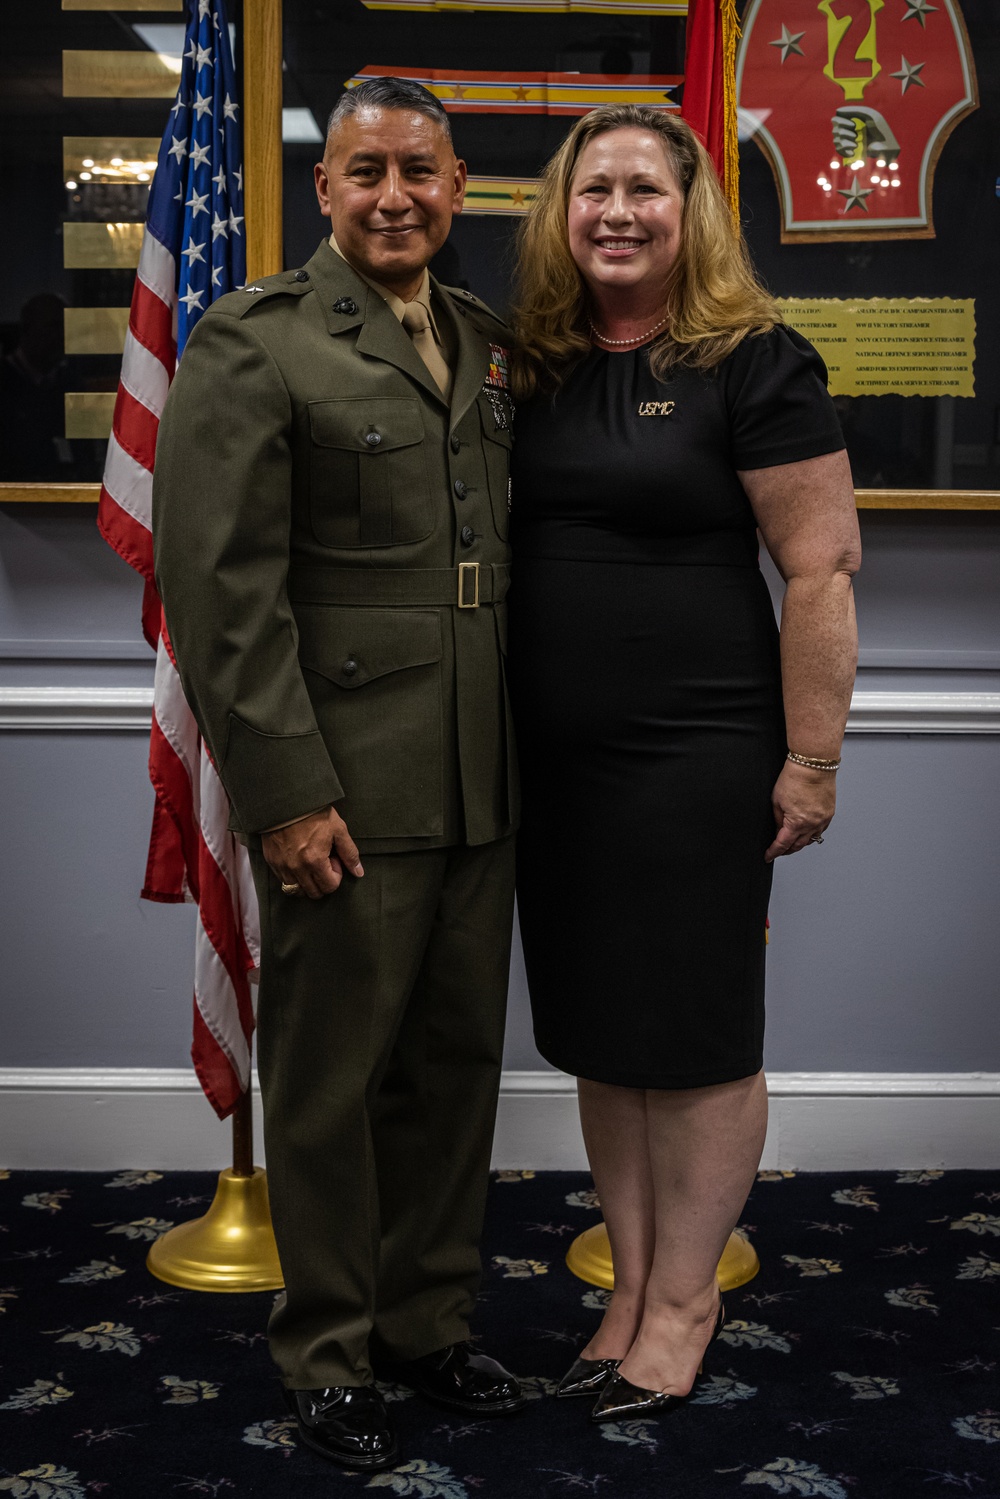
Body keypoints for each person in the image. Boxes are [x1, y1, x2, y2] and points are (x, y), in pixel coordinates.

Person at [152, 76, 523, 1474]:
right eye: (365, 171)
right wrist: (286, 791)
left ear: (458, 183)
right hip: (344, 792)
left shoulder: (482, 342)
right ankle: (329, 1352)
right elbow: (223, 591)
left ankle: (429, 1325)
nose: (393, 197)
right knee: (329, 1085)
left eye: (419, 172)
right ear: (325, 189)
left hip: (479, 782)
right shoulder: (259, 343)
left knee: (449, 1073)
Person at [507, 105, 861, 1421]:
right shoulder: (531, 363)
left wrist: (811, 762)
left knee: (697, 1033)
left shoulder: (753, 359)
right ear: (561, 211)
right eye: (593, 188)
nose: (616, 211)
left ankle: (686, 1301)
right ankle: (633, 1281)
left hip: (698, 757)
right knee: (606, 1029)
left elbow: (821, 572)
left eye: (645, 190)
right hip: (555, 767)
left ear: (689, 211)